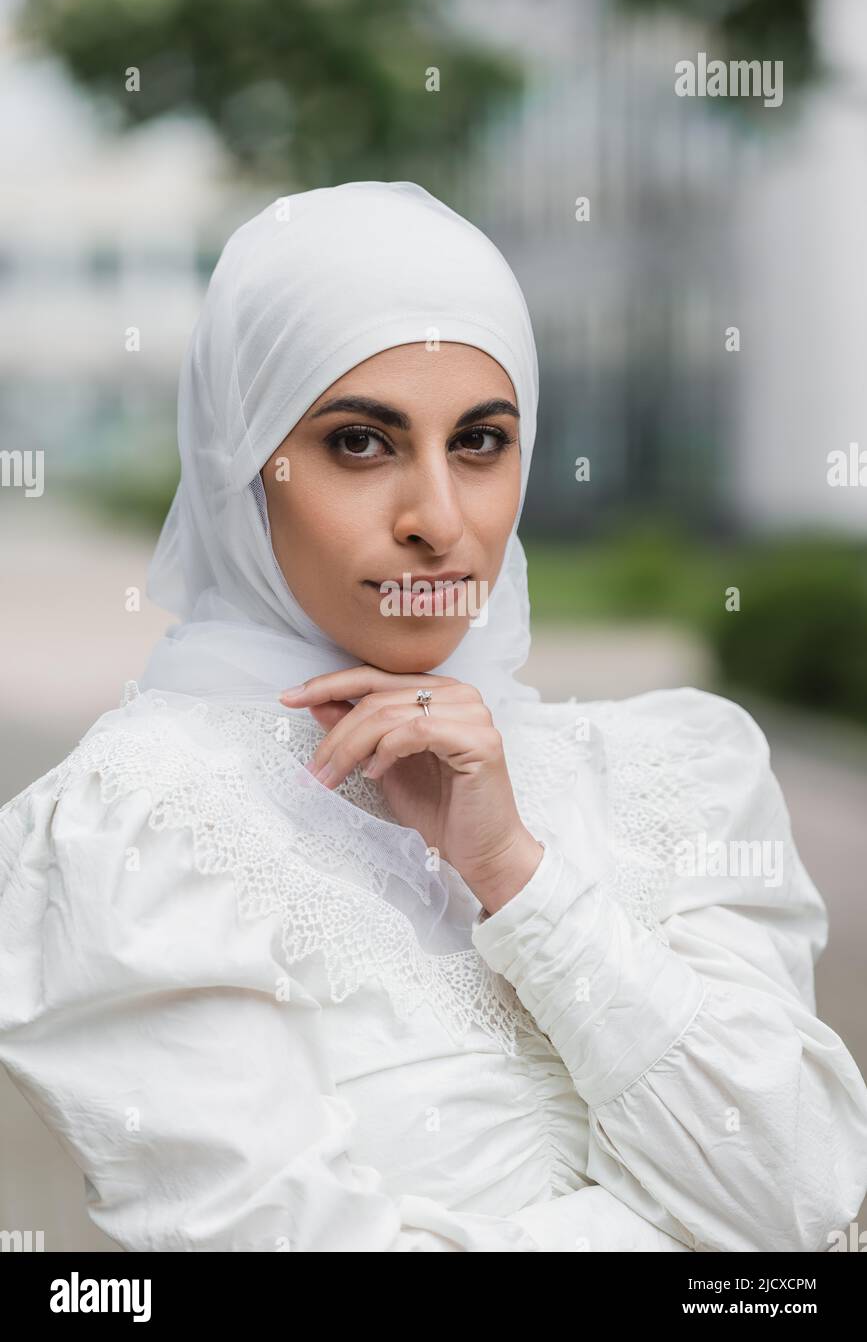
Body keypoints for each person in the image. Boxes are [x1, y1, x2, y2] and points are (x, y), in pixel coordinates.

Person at [1, 181, 866, 1253]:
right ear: (242, 465)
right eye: (360, 443)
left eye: (481, 441)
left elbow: (803, 1192)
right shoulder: (137, 827)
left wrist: (515, 868)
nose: (438, 521)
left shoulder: (673, 769)